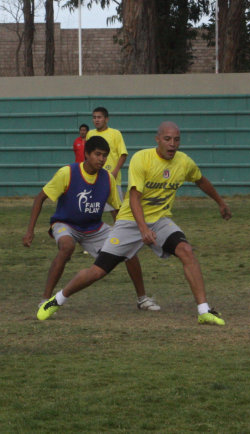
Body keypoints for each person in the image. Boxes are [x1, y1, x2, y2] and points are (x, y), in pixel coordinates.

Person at [37, 121, 232, 325]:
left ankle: (203, 310)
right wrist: (142, 228)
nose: (172, 144)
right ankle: (56, 300)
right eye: (167, 139)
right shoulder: (142, 158)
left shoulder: (184, 162)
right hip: (130, 221)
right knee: (97, 271)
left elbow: (200, 179)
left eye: (176, 140)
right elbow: (134, 197)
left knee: (186, 250)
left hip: (160, 220)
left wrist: (220, 202)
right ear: (157, 140)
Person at [23, 136, 160, 311]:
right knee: (66, 247)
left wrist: (125, 235)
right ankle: (45, 300)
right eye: (97, 154)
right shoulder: (68, 173)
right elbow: (40, 197)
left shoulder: (108, 179)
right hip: (66, 223)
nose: (101, 159)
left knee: (128, 249)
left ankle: (142, 299)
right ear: (86, 154)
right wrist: (30, 231)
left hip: (94, 227)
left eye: (104, 156)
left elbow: (117, 210)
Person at [86, 107, 128, 220]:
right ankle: (90, 232)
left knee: (117, 210)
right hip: (94, 178)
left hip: (111, 178)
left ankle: (121, 233)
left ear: (106, 119)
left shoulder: (115, 133)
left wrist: (114, 172)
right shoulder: (90, 134)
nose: (96, 120)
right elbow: (87, 155)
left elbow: (123, 154)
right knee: (90, 208)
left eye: (99, 117)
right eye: (94, 117)